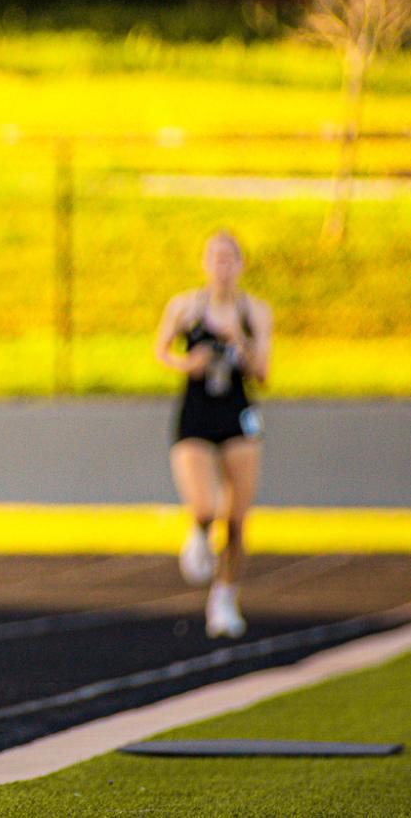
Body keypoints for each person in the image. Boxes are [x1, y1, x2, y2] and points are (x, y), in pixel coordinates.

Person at [153, 229, 271, 639]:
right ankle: (199, 532)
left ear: (240, 265)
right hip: (197, 411)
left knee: (236, 519)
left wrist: (239, 343)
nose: (221, 267)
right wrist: (190, 364)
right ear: (204, 263)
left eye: (229, 259)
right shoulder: (187, 307)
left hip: (236, 412)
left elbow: (264, 373)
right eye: (214, 258)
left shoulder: (253, 311)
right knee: (205, 508)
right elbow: (162, 349)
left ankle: (224, 597)